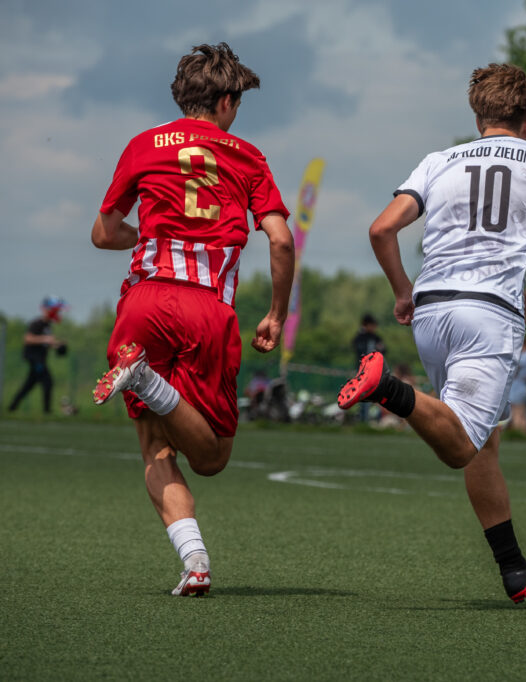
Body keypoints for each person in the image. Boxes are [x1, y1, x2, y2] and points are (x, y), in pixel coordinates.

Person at [337, 63, 526, 603]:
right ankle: (388, 389)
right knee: (462, 446)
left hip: (431, 312)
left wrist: (403, 291)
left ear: (477, 116)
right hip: (489, 315)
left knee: (483, 442)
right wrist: (524, 304)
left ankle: (514, 568)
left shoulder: (439, 161)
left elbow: (381, 228)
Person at [89, 43, 295, 597]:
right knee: (212, 457)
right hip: (206, 308)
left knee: (155, 448)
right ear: (226, 100)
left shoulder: (143, 144)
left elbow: (104, 233)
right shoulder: (247, 156)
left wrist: (148, 238)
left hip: (143, 303)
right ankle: (148, 382)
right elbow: (280, 239)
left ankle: (195, 561)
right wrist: (276, 314)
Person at [8, 296, 67, 414]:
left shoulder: (48, 326)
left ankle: (12, 407)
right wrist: (45, 339)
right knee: (47, 381)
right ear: (45, 309)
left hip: (41, 359)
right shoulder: (37, 323)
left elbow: (47, 343)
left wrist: (57, 345)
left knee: (28, 385)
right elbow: (27, 338)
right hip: (35, 359)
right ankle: (47, 411)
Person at [352, 314, 386, 422]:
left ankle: (371, 418)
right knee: (362, 394)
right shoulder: (360, 338)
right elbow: (359, 351)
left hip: (374, 370)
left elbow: (384, 350)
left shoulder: (375, 337)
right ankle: (363, 419)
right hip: (362, 370)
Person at [507, 339, 526, 432]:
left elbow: (514, 364)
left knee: (518, 412)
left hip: (519, 387)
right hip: (517, 386)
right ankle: (521, 432)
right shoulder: (524, 355)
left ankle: (518, 432)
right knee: (519, 412)